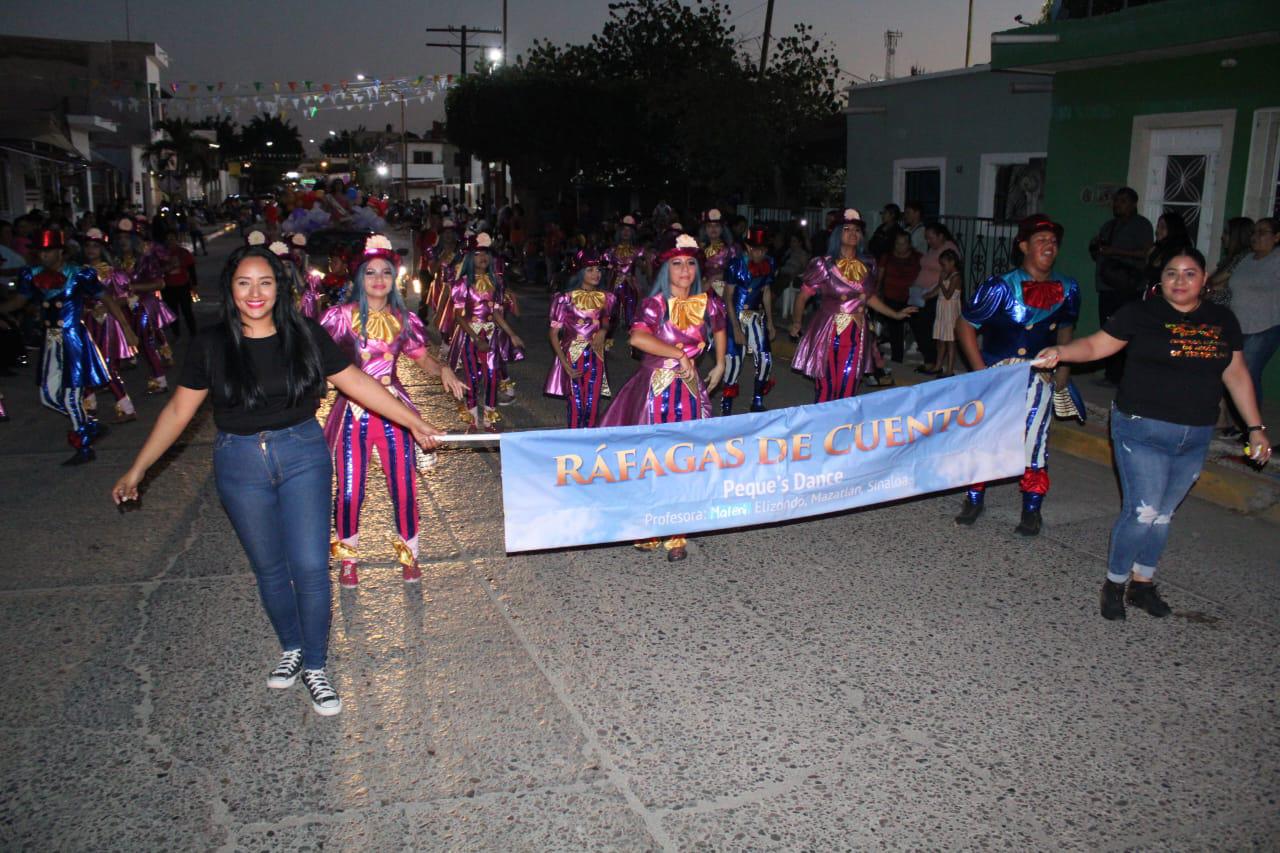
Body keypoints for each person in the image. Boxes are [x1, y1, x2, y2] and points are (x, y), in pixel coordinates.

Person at [110, 245, 446, 716]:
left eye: (264, 282)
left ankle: (315, 664)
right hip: (240, 462)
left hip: (302, 454)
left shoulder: (303, 333)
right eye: (244, 282)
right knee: (270, 568)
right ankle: (291, 647)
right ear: (230, 288)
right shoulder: (211, 344)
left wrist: (412, 421)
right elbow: (178, 410)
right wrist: (138, 467)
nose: (255, 293)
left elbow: (356, 381)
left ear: (279, 288)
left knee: (310, 566)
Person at [1035, 247, 1270, 620]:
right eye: (1172, 273)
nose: (1180, 280)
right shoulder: (1141, 314)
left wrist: (1256, 428)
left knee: (1162, 516)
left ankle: (1142, 584)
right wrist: (1062, 352)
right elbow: (1097, 345)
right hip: (1140, 427)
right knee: (1142, 512)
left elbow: (1236, 374)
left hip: (1194, 433)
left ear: (1204, 279)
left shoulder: (1222, 319)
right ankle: (1114, 584)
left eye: (1189, 273)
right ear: (1160, 279)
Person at [321, 235, 467, 588]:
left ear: (394, 278)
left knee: (403, 488)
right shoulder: (339, 317)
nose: (378, 279)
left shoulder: (403, 319)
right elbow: (316, 358)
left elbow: (422, 359)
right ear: (360, 278)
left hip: (395, 415)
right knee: (350, 491)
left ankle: (409, 556)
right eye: (370, 272)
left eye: (386, 272)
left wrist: (443, 368)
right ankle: (347, 560)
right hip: (352, 413)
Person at [599, 232, 727, 562]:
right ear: (665, 270)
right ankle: (649, 525)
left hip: (688, 389)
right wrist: (679, 355)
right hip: (655, 389)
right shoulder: (655, 304)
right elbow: (639, 338)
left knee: (686, 455)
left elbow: (721, 326)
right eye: (676, 264)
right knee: (652, 454)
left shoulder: (708, 301)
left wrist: (722, 362)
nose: (684, 270)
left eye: (689, 263)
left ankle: (677, 532)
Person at [954, 215, 1080, 536]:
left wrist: (1063, 367)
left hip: (1040, 377)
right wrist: (980, 371)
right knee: (985, 437)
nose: (1049, 246)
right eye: (1041, 240)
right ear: (1023, 246)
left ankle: (1032, 510)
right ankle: (973, 498)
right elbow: (965, 326)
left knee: (1035, 442)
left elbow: (1066, 329)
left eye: (1053, 242)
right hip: (998, 375)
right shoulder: (999, 287)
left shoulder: (1068, 288)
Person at [2, 229, 114, 464]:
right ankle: (88, 425)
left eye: (48, 251)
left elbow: (105, 297)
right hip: (51, 340)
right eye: (40, 252)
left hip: (73, 339)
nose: (43, 256)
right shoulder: (32, 274)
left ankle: (84, 447)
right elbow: (20, 301)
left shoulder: (79, 273)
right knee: (48, 396)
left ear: (60, 251)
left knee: (72, 397)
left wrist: (127, 328)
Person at [789, 209, 916, 402]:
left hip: (857, 331)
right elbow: (802, 297)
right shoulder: (824, 265)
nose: (852, 233)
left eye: (857, 230)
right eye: (847, 229)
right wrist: (797, 322)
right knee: (827, 384)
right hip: (830, 330)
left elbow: (869, 298)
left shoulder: (867, 264)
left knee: (849, 386)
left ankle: (842, 428)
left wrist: (895, 314)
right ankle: (821, 428)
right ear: (838, 234)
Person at [448, 232, 524, 431]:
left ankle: (489, 419)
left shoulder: (496, 283)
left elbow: (496, 314)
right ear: (469, 257)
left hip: (490, 335)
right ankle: (473, 419)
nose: (484, 258)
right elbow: (458, 316)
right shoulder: (461, 283)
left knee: (491, 376)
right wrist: (474, 338)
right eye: (478, 254)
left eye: (487, 254)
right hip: (469, 335)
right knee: (472, 377)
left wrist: (512, 334)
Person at [1088, 187, 1153, 386]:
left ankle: (1126, 376)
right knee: (1108, 329)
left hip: (1128, 286)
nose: (1118, 205)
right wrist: (1096, 247)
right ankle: (1112, 374)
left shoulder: (1141, 225)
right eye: (1116, 201)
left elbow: (1145, 253)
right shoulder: (1109, 225)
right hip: (1107, 286)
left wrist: (1115, 251)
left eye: (1123, 201)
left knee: (1126, 331)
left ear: (1133, 203)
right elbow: (1099, 252)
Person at [545, 248, 616, 428]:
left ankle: (590, 442)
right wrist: (564, 364)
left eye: (599, 270)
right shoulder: (565, 299)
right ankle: (575, 441)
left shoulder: (606, 298)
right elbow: (553, 333)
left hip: (596, 355)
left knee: (593, 402)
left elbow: (606, 321)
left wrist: (603, 331)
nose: (596, 274)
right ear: (581, 272)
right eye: (590, 270)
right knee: (576, 402)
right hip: (572, 355)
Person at [81, 228, 140, 423]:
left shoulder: (113, 272)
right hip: (87, 322)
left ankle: (126, 407)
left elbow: (125, 298)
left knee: (106, 365)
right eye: (88, 246)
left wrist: (106, 307)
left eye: (95, 246)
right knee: (85, 362)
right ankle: (88, 408)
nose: (91, 250)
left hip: (108, 323)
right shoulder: (78, 272)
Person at [721, 226, 777, 413]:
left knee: (765, 358)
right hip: (734, 316)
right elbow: (728, 297)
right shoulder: (735, 265)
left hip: (755, 315)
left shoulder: (769, 263)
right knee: (734, 361)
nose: (759, 253)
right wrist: (735, 328)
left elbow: (766, 292)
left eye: (763, 249)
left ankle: (758, 399)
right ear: (747, 247)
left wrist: (770, 321)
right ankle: (726, 404)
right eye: (755, 248)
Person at [1230, 217, 1280, 406]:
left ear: (1276, 237)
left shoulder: (1277, 259)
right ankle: (1237, 421)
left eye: (1262, 232)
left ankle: (1252, 425)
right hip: (1239, 325)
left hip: (1265, 326)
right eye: (1254, 232)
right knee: (1235, 374)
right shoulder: (1247, 259)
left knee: (1249, 373)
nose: (1255, 236)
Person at [911, 222, 960, 373]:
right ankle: (933, 361)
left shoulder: (949, 251)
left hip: (943, 304)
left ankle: (938, 364)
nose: (928, 241)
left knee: (941, 336)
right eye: (927, 238)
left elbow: (947, 287)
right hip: (929, 296)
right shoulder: (932, 250)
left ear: (941, 236)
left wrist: (935, 288)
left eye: (931, 238)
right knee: (926, 329)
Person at [874, 231, 921, 364]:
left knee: (918, 327)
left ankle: (926, 354)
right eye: (898, 244)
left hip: (910, 298)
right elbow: (880, 274)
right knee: (895, 329)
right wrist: (877, 291)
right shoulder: (887, 256)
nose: (900, 247)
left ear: (909, 244)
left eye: (903, 243)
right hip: (891, 295)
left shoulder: (917, 257)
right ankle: (897, 358)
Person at [604, 215, 649, 340]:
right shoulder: (611, 251)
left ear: (633, 233)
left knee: (631, 311)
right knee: (612, 312)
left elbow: (644, 268)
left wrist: (647, 262)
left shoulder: (637, 251)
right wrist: (612, 269)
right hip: (615, 284)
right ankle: (607, 341)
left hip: (631, 285)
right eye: (623, 229)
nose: (625, 232)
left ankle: (634, 341)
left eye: (629, 230)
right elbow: (606, 267)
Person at [1206, 217, 1254, 308]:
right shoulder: (1231, 258)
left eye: (1226, 233)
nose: (1222, 237)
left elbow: (1216, 280)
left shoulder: (1245, 256)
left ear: (1238, 236)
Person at [160, 230, 198, 338]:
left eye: (172, 239)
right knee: (172, 312)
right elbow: (156, 271)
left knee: (187, 310)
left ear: (177, 240)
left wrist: (194, 285)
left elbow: (191, 270)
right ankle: (176, 334)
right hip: (168, 288)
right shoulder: (160, 254)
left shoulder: (184, 252)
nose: (170, 241)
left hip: (183, 286)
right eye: (167, 239)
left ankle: (193, 332)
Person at [932, 248, 963, 377]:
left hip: (950, 311)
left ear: (952, 262)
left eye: (944, 264)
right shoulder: (947, 275)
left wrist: (941, 283)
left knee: (950, 341)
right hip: (942, 311)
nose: (942, 267)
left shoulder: (956, 276)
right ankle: (938, 365)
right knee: (940, 340)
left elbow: (948, 295)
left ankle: (950, 369)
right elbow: (938, 292)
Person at [1143, 213, 1192, 292]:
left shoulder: (1180, 253)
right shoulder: (1157, 248)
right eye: (1158, 227)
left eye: (1162, 227)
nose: (1157, 231)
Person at [698, 208, 738, 302]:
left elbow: (734, 273)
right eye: (709, 226)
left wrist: (713, 279)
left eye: (717, 226)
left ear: (722, 229)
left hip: (723, 292)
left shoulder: (730, 249)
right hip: (701, 290)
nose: (713, 229)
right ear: (705, 229)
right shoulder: (698, 249)